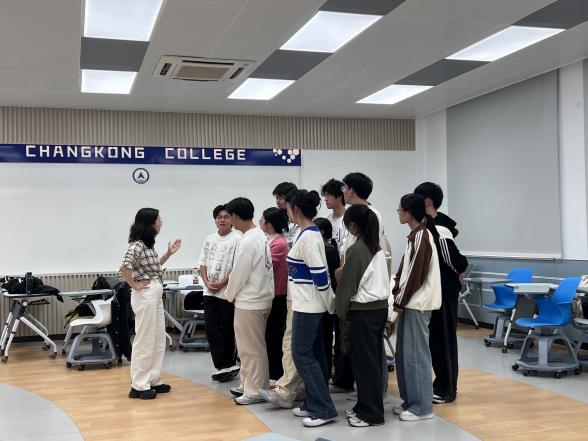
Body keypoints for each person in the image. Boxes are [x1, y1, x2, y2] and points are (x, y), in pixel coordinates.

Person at [286, 189, 337, 427]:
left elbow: (321, 276)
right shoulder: (305, 233)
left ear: (295, 208)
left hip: (309, 306)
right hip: (305, 303)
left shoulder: (309, 237)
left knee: (302, 354)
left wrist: (330, 305)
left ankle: (324, 409)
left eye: (288, 208)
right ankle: (312, 402)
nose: (287, 212)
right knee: (314, 354)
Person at [336, 204, 389, 427]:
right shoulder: (375, 246)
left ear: (353, 225)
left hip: (364, 312)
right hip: (379, 310)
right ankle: (365, 405)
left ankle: (371, 413)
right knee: (372, 361)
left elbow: (347, 286)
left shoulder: (357, 249)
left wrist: (339, 311)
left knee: (364, 364)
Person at [414, 182, 468, 403]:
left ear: (428, 201)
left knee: (444, 340)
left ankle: (447, 389)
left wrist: (459, 271)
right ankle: (440, 383)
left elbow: (456, 261)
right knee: (435, 340)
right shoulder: (427, 226)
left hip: (445, 292)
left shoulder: (440, 228)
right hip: (434, 291)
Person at [120, 208, 182, 400]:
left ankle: (153, 379)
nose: (161, 223)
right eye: (158, 220)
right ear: (149, 223)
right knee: (145, 339)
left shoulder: (147, 245)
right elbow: (124, 267)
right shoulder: (137, 245)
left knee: (157, 337)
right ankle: (139, 385)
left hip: (153, 293)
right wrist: (133, 284)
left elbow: (153, 269)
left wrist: (168, 254)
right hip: (145, 295)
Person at [392, 193, 441, 421]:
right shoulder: (415, 235)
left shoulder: (422, 235)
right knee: (404, 355)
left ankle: (422, 406)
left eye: (400, 210)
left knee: (415, 355)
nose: (398, 213)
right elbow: (405, 270)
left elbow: (415, 275)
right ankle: (410, 401)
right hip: (410, 303)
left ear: (409, 213)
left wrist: (399, 300)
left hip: (417, 304)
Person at [224, 197, 274, 405]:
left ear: (236, 216)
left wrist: (229, 295)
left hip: (250, 301)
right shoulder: (259, 235)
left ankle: (255, 391)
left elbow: (239, 273)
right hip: (260, 298)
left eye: (229, 217)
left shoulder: (249, 240)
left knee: (251, 348)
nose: (229, 221)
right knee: (250, 347)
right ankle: (248, 384)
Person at [198, 205, 242, 382]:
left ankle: (230, 364)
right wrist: (207, 282)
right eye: (219, 217)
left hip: (228, 292)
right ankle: (221, 366)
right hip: (209, 292)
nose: (222, 220)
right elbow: (202, 264)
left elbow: (238, 267)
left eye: (226, 217)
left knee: (228, 329)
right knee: (212, 329)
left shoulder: (238, 238)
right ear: (215, 219)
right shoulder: (209, 238)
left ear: (231, 219)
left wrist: (222, 282)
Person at [259, 207, 289, 381]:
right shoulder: (267, 239)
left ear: (269, 224)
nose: (260, 222)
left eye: (262, 220)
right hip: (268, 293)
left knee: (273, 336)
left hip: (277, 295)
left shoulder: (279, 243)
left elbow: (266, 266)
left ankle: (275, 373)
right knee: (268, 335)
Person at [314, 217, 340, 381]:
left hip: (326, 299)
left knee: (324, 337)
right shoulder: (326, 249)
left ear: (321, 232)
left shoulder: (328, 251)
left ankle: (324, 374)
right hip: (323, 298)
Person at [321, 178, 348, 250]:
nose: (325, 199)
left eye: (328, 195)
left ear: (339, 197)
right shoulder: (326, 219)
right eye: (325, 195)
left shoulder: (348, 221)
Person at [272, 182, 299, 248]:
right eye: (276, 198)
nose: (277, 202)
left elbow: (290, 244)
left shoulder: (298, 220)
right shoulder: (281, 215)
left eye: (280, 198)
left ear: (291, 198)